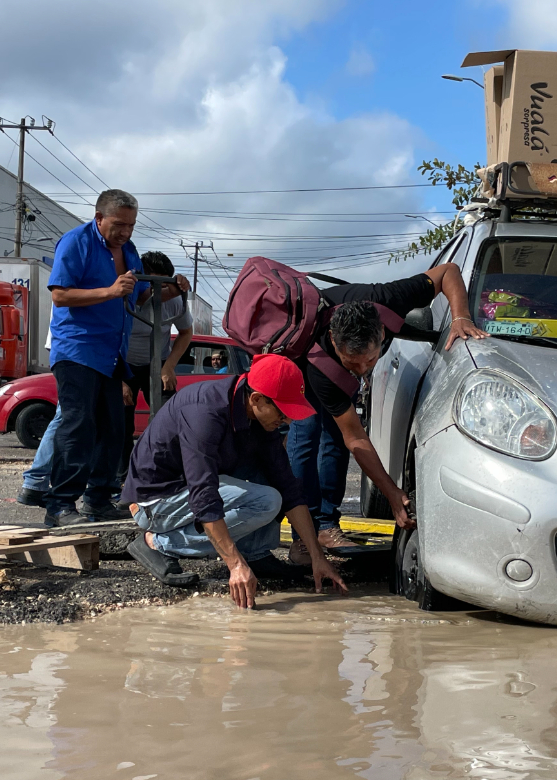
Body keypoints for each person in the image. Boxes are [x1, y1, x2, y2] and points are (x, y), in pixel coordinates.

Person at [286, 261, 486, 564]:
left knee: (334, 443)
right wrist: (392, 493)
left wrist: (460, 316)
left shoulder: (390, 297)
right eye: (351, 363)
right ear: (335, 344)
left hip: (339, 354)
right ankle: (303, 537)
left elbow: (449, 271)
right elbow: (357, 438)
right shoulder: (321, 360)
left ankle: (326, 525)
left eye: (368, 360)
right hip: (302, 363)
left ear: (382, 333)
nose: (362, 370)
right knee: (306, 437)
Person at [122, 353, 347, 607]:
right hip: (155, 501)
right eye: (283, 413)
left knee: (275, 479)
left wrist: (317, 556)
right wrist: (234, 564)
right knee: (267, 501)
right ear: (256, 399)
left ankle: (256, 552)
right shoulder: (204, 413)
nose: (288, 421)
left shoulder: (255, 415)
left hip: (189, 488)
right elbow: (204, 495)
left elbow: (288, 486)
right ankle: (157, 543)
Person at [41, 189, 149, 527]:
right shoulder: (75, 242)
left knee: (114, 428)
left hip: (112, 352)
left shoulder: (129, 251)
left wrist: (172, 286)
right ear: (99, 217)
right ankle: (59, 506)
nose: (125, 232)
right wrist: (110, 291)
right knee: (79, 424)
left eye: (131, 225)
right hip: (77, 348)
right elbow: (60, 295)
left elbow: (140, 295)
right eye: (118, 225)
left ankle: (98, 498)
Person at [119, 250, 193, 484]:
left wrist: (169, 366)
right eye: (152, 282)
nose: (158, 290)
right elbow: (108, 337)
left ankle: (167, 474)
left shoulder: (173, 302)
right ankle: (122, 478)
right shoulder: (125, 298)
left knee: (170, 418)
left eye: (164, 284)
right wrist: (119, 378)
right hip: (123, 363)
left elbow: (185, 333)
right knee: (120, 423)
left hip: (157, 361)